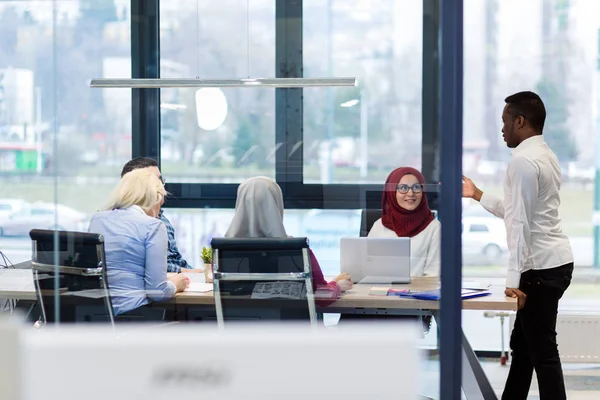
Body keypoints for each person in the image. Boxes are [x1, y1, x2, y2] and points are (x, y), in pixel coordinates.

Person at [462, 91, 573, 400]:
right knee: (524, 349)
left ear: (520, 121)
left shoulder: (523, 161)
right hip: (554, 262)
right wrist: (478, 194)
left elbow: (519, 224)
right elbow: (519, 211)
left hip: (539, 267)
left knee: (542, 354)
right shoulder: (545, 154)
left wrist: (513, 281)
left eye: (505, 121)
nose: (502, 129)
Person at [225, 176, 353, 305]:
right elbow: (321, 296)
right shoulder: (297, 250)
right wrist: (336, 285)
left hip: (239, 324)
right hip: (291, 325)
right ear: (277, 204)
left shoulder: (223, 251)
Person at [88, 169, 188, 315]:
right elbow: (157, 292)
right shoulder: (153, 226)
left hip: (97, 317)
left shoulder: (97, 219)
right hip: (133, 316)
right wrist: (176, 284)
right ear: (156, 198)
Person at [120, 157, 195, 273]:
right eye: (153, 181)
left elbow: (176, 258)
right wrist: (186, 272)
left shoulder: (162, 218)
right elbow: (147, 265)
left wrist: (196, 273)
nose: (160, 186)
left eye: (161, 180)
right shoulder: (125, 222)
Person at [368, 166, 441, 277]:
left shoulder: (434, 228)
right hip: (380, 291)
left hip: (418, 293)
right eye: (403, 188)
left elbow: (433, 275)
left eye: (416, 187)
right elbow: (366, 267)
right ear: (392, 193)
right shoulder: (379, 225)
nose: (411, 193)